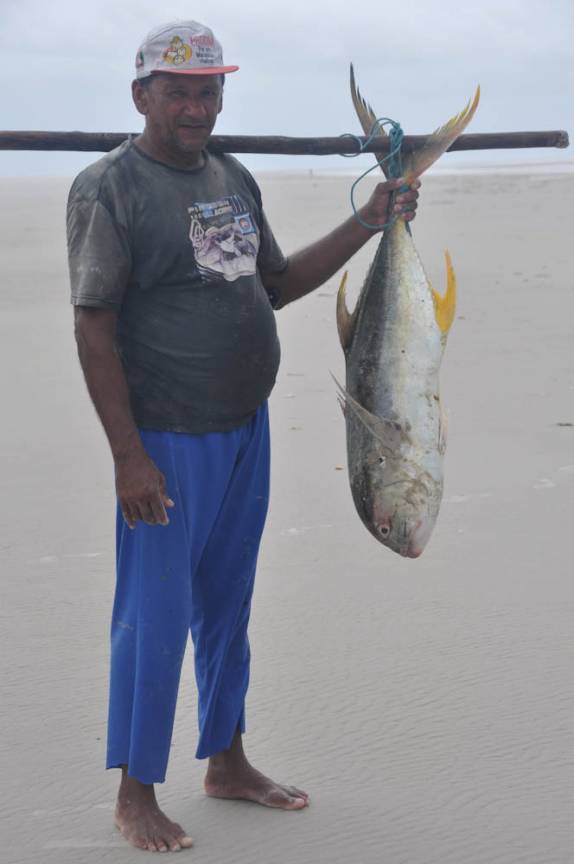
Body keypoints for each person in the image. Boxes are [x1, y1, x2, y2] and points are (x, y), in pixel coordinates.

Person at [67, 20, 419, 854]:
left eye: (210, 91)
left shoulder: (231, 177)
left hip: (242, 429)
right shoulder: (109, 188)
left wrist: (369, 221)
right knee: (154, 616)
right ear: (141, 95)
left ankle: (226, 760)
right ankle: (135, 794)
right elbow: (92, 326)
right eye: (178, 92)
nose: (197, 107)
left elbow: (277, 285)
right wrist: (128, 458)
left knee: (228, 607)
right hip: (165, 440)